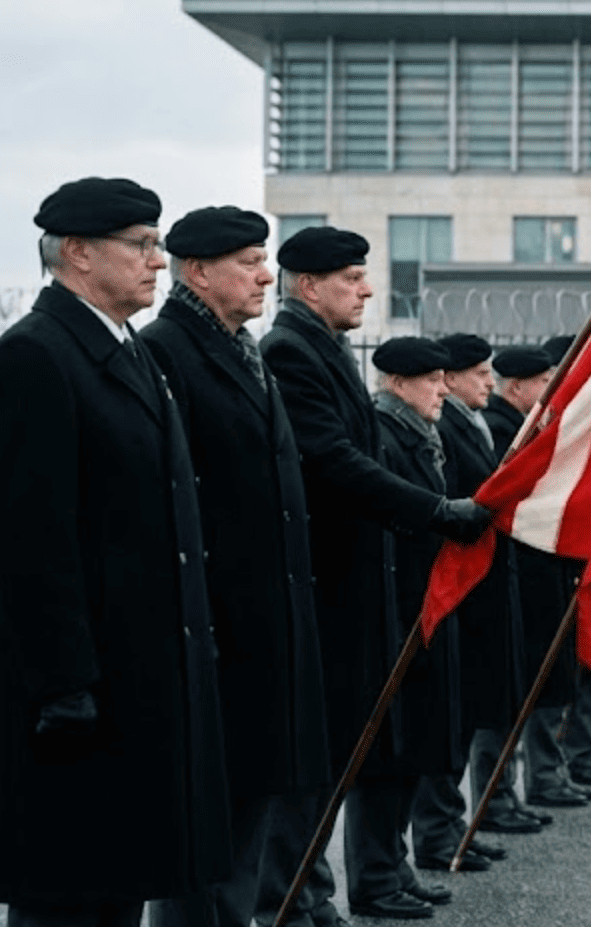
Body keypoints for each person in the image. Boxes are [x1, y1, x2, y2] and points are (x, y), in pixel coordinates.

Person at [0, 178, 231, 927]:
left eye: (158, 244)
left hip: (138, 680)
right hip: (78, 695)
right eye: (141, 244)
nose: (158, 261)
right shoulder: (35, 356)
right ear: (77, 253)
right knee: (68, 894)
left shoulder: (124, 348)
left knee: (117, 885)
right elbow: (33, 537)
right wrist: (65, 684)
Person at [259, 228, 489, 924]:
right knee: (322, 762)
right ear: (309, 284)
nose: (366, 288)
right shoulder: (291, 351)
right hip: (328, 586)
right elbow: (334, 462)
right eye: (353, 277)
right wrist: (438, 511)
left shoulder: (322, 347)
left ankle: (317, 895)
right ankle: (293, 899)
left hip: (362, 585)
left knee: (366, 748)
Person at [141, 206, 330, 927]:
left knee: (253, 802)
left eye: (265, 258)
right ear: (197, 271)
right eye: (249, 260)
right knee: (209, 827)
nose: (264, 274)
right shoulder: (168, 350)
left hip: (264, 621)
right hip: (219, 622)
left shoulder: (239, 346)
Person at [406, 334, 541, 876]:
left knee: (474, 711)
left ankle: (456, 824)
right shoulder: (446, 424)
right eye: (478, 374)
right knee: (449, 719)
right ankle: (439, 832)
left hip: (484, 585)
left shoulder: (474, 422)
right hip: (460, 587)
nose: (488, 381)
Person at [366, 337, 468, 914]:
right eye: (432, 380)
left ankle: (394, 865)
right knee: (388, 747)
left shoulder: (418, 433)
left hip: (426, 599)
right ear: (401, 384)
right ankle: (375, 873)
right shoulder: (385, 434)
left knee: (415, 742)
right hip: (400, 601)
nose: (442, 389)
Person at [484, 345, 591, 813]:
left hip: (543, 572)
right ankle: (508, 790)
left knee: (551, 679)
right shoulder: (501, 431)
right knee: (521, 687)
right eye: (543, 382)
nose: (552, 390)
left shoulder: (529, 428)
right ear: (517, 388)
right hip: (522, 574)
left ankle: (543, 775)